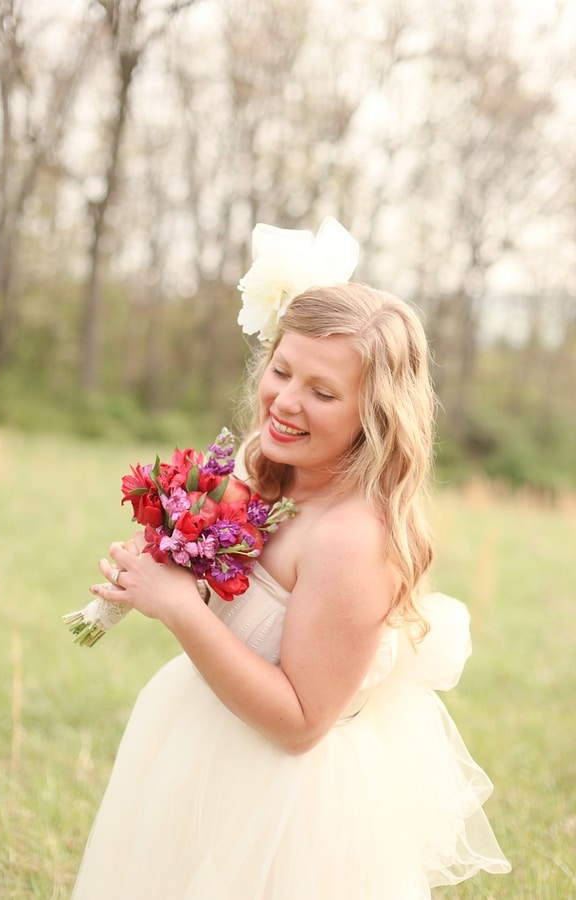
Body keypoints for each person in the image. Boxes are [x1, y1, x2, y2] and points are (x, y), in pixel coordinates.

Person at [71, 218, 511, 899]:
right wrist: (171, 561)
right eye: (281, 371)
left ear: (375, 415)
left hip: (284, 806)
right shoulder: (267, 473)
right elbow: (247, 611)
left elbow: (303, 724)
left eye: (323, 393)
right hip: (204, 738)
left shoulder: (352, 539)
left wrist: (181, 608)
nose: (285, 401)